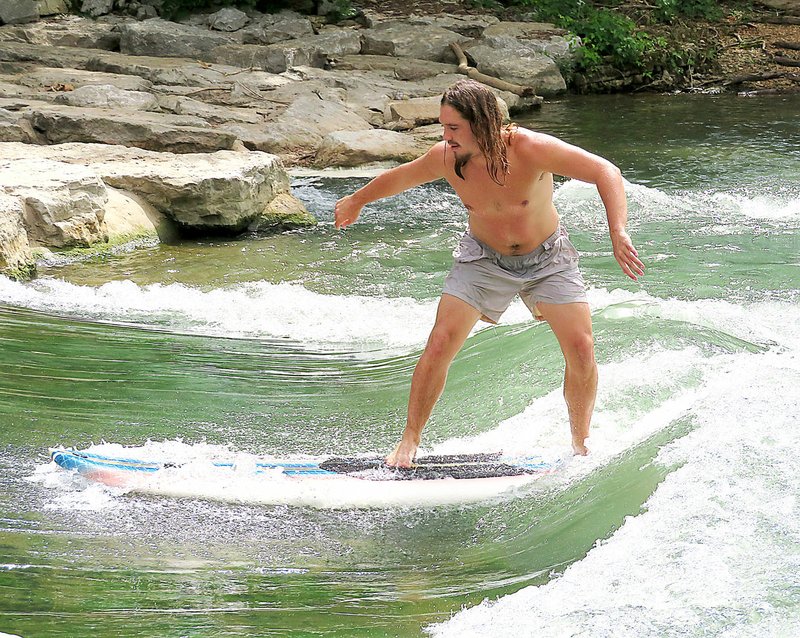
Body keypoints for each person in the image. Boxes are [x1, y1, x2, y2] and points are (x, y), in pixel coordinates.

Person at [334, 79, 644, 467]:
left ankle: (580, 443)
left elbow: (606, 171)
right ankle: (409, 441)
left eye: (453, 128)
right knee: (440, 341)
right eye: (443, 127)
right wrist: (356, 199)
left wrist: (618, 230)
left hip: (548, 259)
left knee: (581, 348)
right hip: (482, 260)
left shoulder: (531, 149)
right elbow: (400, 177)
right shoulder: (447, 157)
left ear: (481, 123)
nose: (445, 137)